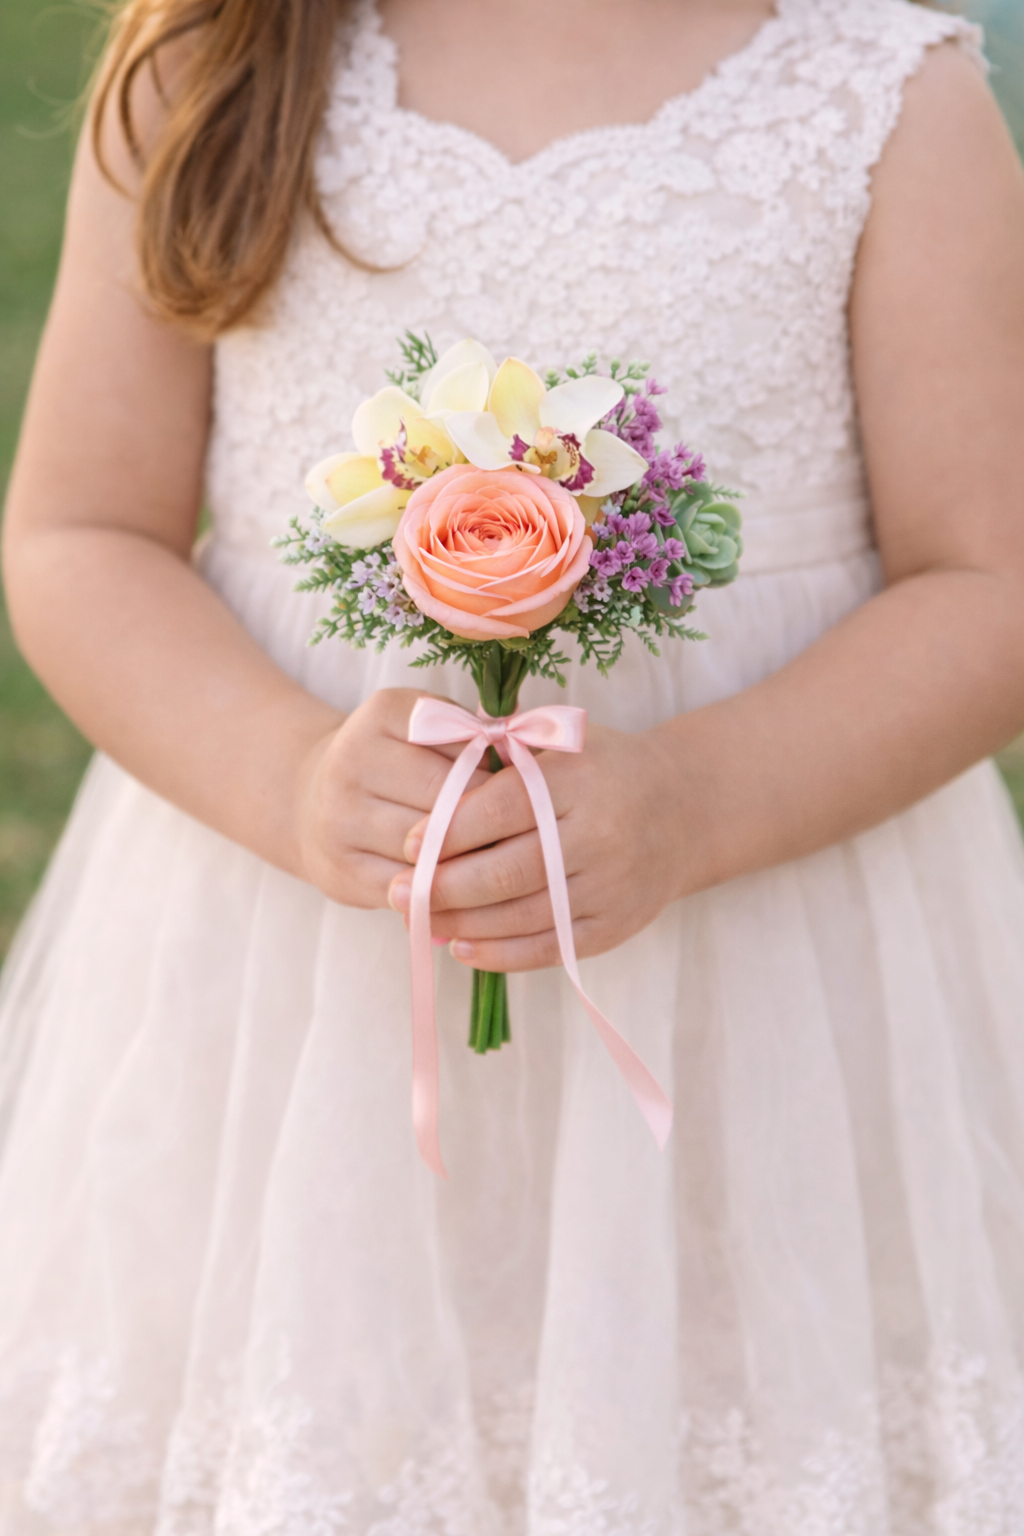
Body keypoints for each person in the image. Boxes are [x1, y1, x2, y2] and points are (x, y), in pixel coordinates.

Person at [2, 0, 1024, 1527]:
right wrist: (285, 778)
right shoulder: (210, 67)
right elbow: (80, 534)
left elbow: (992, 580)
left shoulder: (883, 99)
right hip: (300, 1007)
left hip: (758, 1004)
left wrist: (699, 800)